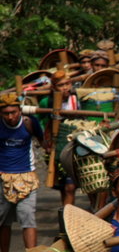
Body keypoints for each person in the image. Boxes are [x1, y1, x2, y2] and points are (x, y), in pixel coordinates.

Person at [0, 94, 44, 252]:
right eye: (6, 113)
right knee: (3, 221)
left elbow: (43, 141)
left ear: (20, 110)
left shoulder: (29, 122)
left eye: (13, 112)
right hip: (3, 178)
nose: (10, 117)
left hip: (27, 176)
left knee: (28, 218)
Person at [40, 70, 80, 206]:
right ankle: (66, 216)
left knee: (70, 187)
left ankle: (68, 219)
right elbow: (39, 123)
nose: (65, 88)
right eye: (61, 85)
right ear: (54, 87)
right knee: (63, 187)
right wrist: (46, 140)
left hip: (74, 147)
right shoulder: (46, 102)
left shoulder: (76, 99)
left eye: (67, 84)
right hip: (55, 147)